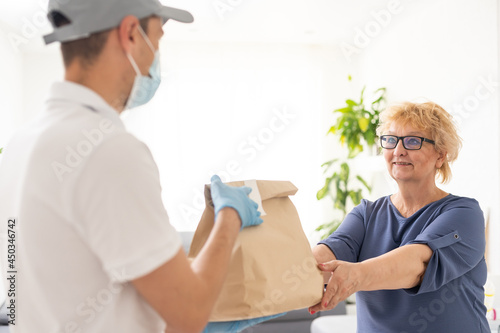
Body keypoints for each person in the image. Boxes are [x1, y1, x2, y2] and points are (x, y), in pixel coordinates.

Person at [0, 0, 278, 332]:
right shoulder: (108, 151)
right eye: (157, 40)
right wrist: (230, 216)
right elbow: (189, 313)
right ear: (131, 33)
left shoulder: (21, 143)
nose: (156, 59)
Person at [310, 101, 489, 332]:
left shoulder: (465, 214)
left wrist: (355, 275)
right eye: (391, 140)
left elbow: (417, 263)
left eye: (413, 141)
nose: (398, 150)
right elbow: (331, 251)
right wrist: (301, 268)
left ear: (440, 156)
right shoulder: (366, 214)